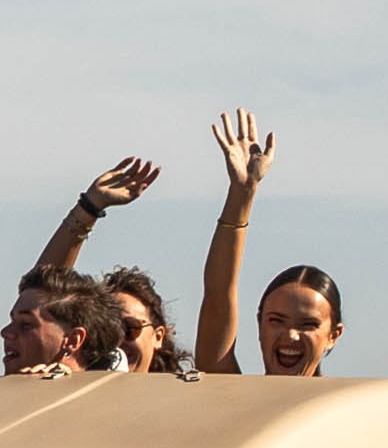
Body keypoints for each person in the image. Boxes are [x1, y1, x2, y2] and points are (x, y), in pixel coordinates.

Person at [186, 111, 344, 377]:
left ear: (333, 334)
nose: (291, 336)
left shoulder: (350, 411)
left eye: (308, 324)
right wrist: (242, 193)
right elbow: (218, 297)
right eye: (276, 321)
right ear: (259, 325)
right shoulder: (235, 398)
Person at [29, 157, 190, 374]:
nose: (117, 341)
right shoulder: (70, 394)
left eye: (129, 328)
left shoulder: (180, 399)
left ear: (158, 336)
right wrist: (89, 207)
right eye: (106, 330)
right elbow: (41, 296)